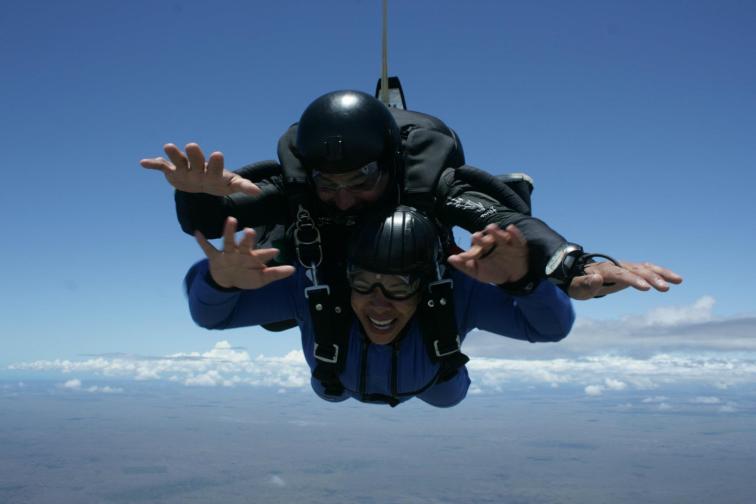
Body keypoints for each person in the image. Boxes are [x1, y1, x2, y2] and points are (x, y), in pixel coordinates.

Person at [142, 90, 682, 304]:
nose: (345, 198)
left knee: (491, 263)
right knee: (278, 289)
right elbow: (217, 230)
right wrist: (198, 199)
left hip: (411, 272)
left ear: (393, 166)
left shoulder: (429, 183)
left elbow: (504, 218)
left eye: (362, 181)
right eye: (330, 184)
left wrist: (571, 266)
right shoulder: (300, 187)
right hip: (338, 273)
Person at [185, 207, 575, 407]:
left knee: (446, 398)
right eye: (363, 283)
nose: (379, 302)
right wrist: (220, 278)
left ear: (425, 285)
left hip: (433, 382)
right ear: (346, 276)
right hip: (338, 379)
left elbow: (549, 328)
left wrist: (524, 281)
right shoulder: (316, 286)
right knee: (330, 391)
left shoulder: (457, 292)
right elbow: (210, 314)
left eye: (399, 286)